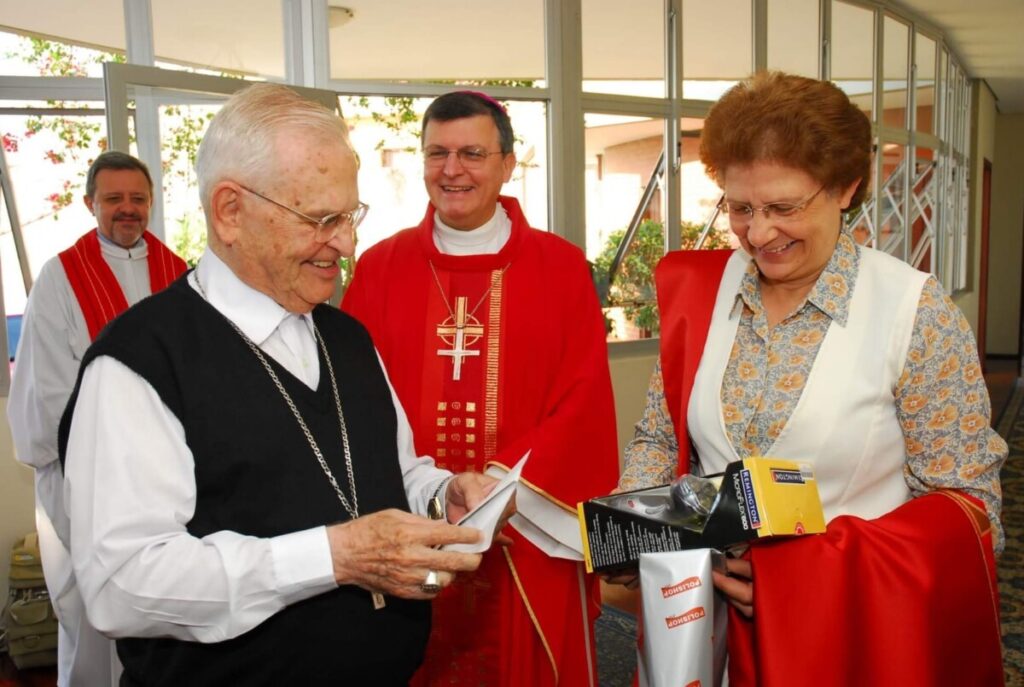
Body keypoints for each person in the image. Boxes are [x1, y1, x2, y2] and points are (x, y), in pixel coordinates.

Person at [57, 83, 504, 686]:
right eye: (320, 219)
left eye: (349, 216)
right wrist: (334, 557)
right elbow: (122, 584)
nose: (345, 244)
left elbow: (392, 472)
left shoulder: (347, 337)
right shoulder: (138, 364)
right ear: (230, 212)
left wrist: (439, 496)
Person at [615, 72, 1007, 685]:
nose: (759, 233)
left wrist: (803, 574)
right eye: (740, 208)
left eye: (784, 207)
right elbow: (661, 439)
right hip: (697, 623)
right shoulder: (702, 295)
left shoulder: (915, 312)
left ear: (846, 187)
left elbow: (969, 512)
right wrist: (632, 530)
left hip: (843, 636)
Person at [342, 90, 618, 686]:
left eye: (471, 152)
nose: (452, 170)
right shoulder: (379, 269)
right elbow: (353, 401)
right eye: (436, 153)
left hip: (528, 523)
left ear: (507, 163)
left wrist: (507, 488)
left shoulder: (562, 267)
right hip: (408, 526)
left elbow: (584, 398)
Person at [8, 151, 187, 686]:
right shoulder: (60, 278)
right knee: (93, 613)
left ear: (150, 204)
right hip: (88, 475)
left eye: (137, 199)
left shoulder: (178, 273)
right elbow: (49, 387)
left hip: (168, 475)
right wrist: (116, 451)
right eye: (113, 199)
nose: (126, 210)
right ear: (91, 204)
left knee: (167, 604)